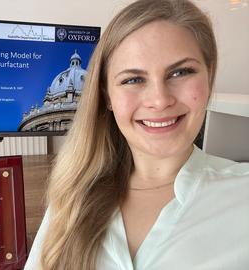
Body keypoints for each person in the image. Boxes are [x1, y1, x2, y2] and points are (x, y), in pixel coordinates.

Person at [24, 0, 249, 269]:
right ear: (107, 95)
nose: (159, 100)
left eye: (181, 72)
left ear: (209, 77)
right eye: (133, 79)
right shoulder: (70, 200)